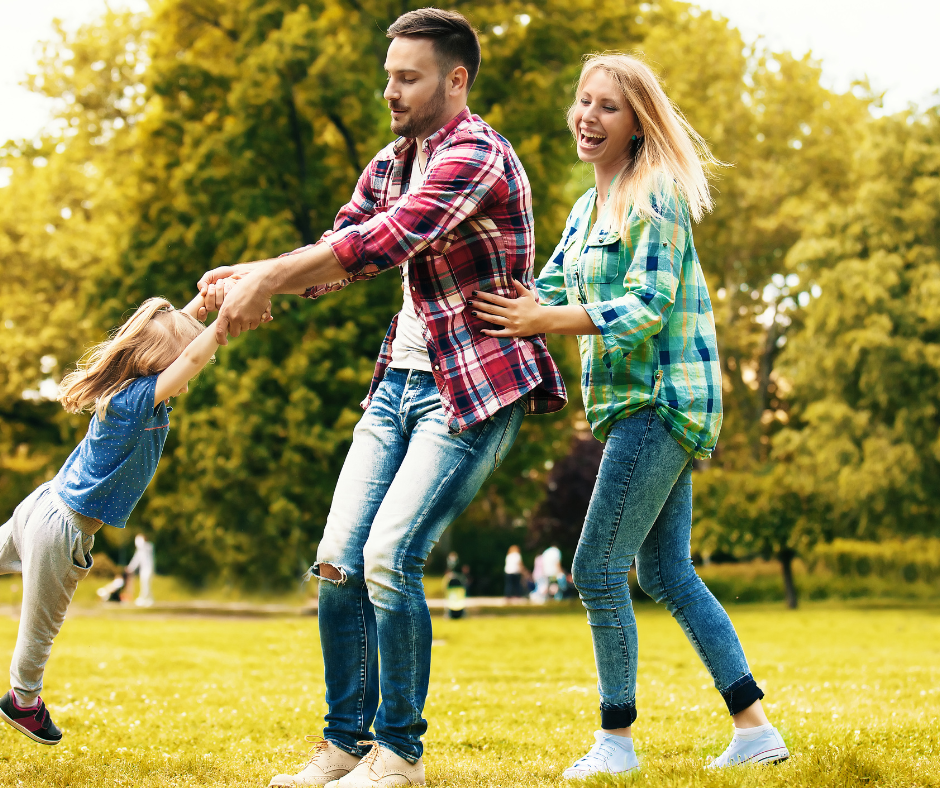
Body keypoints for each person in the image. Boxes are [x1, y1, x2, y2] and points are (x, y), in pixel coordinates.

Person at [197, 9, 566, 787]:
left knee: (389, 557)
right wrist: (254, 273)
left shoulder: (477, 155)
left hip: (471, 387)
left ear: (455, 79)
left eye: (408, 77)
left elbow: (394, 237)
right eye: (388, 76)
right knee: (337, 560)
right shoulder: (391, 160)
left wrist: (268, 275)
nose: (390, 91)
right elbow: (343, 253)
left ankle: (399, 754)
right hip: (397, 383)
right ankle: (343, 745)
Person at [472, 54, 789, 777]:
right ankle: (754, 728)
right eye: (583, 100)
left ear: (637, 120)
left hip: (664, 399)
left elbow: (645, 307)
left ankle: (615, 741)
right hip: (626, 408)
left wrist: (542, 316)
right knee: (667, 572)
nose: (588, 115)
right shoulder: (586, 211)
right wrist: (472, 280)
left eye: (608, 106)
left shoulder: (657, 197)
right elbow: (536, 287)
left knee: (595, 568)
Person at [0, 293, 234, 745]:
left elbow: (172, 335)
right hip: (61, 528)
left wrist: (197, 306)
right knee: (40, 629)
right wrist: (224, 320)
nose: (190, 378)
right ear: (159, 363)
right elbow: (189, 355)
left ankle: (24, 697)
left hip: (42, 504)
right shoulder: (137, 401)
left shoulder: (130, 392)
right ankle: (23, 702)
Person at [126, 533, 155, 606]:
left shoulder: (148, 547)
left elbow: (145, 547)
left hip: (148, 569)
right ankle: (148, 599)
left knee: (146, 584)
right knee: (144, 584)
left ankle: (144, 598)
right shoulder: (140, 551)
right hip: (143, 569)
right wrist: (130, 567)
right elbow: (136, 560)